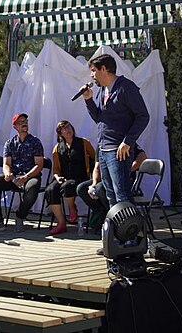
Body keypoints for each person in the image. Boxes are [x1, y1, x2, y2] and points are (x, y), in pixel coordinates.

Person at [82, 54, 150, 208]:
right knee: (110, 194)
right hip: (104, 150)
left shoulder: (126, 87)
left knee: (122, 194)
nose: (92, 75)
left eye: (93, 70)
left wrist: (128, 141)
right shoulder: (101, 91)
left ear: (104, 69)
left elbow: (143, 116)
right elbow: (100, 120)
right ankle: (119, 229)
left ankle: (131, 230)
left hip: (118, 151)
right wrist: (88, 100)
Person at [0, 113, 44, 234]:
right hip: (14, 177)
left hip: (30, 176)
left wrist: (26, 177)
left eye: (25, 121)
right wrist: (7, 174)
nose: (24, 123)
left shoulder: (35, 142)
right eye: (20, 122)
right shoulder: (10, 143)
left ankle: (20, 216)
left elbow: (39, 165)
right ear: (15, 126)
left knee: (32, 188)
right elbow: (6, 164)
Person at [77, 143, 147, 233]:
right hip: (105, 179)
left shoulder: (125, 141)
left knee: (100, 188)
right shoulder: (101, 144)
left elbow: (143, 157)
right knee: (82, 188)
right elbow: (97, 168)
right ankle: (101, 212)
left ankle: (113, 217)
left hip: (123, 180)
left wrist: (125, 171)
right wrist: (93, 183)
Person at [45, 120, 95, 235]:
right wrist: (57, 178)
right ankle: (61, 223)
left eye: (68, 127)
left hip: (80, 177)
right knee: (50, 190)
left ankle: (72, 208)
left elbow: (94, 158)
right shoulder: (57, 148)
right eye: (64, 129)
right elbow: (56, 169)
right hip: (63, 177)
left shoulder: (83, 143)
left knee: (68, 186)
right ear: (60, 133)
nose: (67, 130)